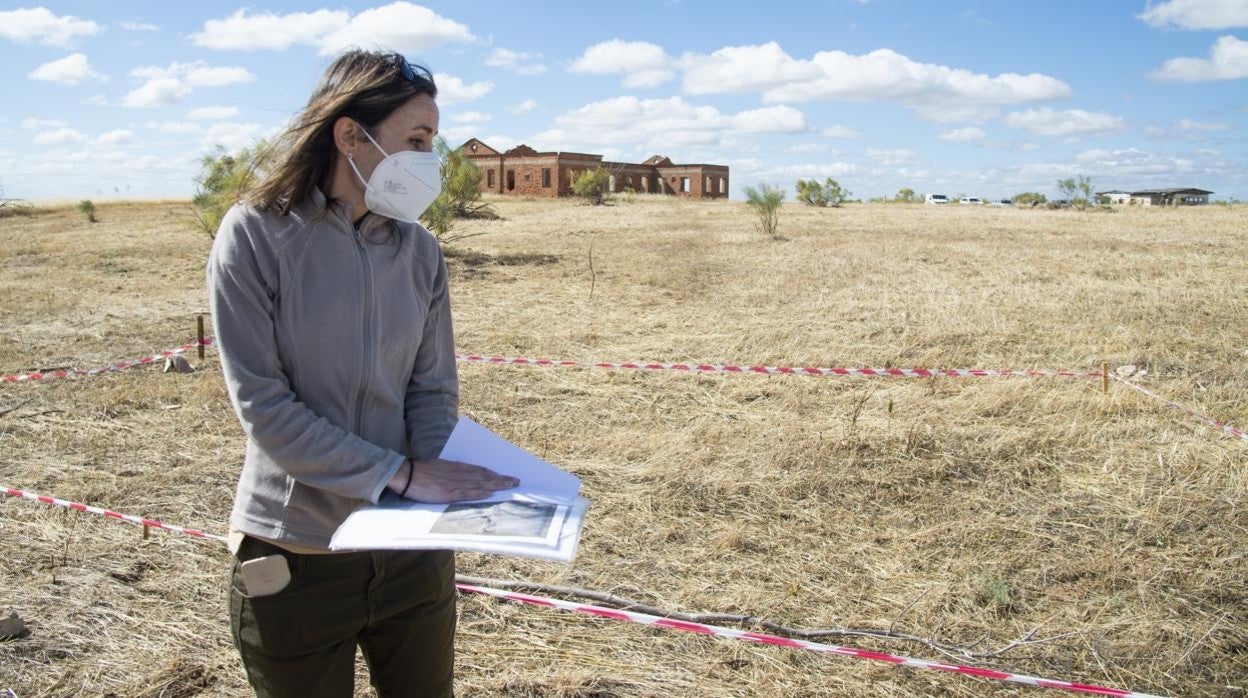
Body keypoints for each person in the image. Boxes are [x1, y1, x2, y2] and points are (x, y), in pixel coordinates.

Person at [206, 49, 518, 697]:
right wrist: (401, 475)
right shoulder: (255, 237)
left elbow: (431, 392)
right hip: (295, 562)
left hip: (411, 560)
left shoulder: (420, 251)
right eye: (418, 140)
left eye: (434, 142)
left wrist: (447, 484)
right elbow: (267, 411)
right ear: (351, 135)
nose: (432, 161)